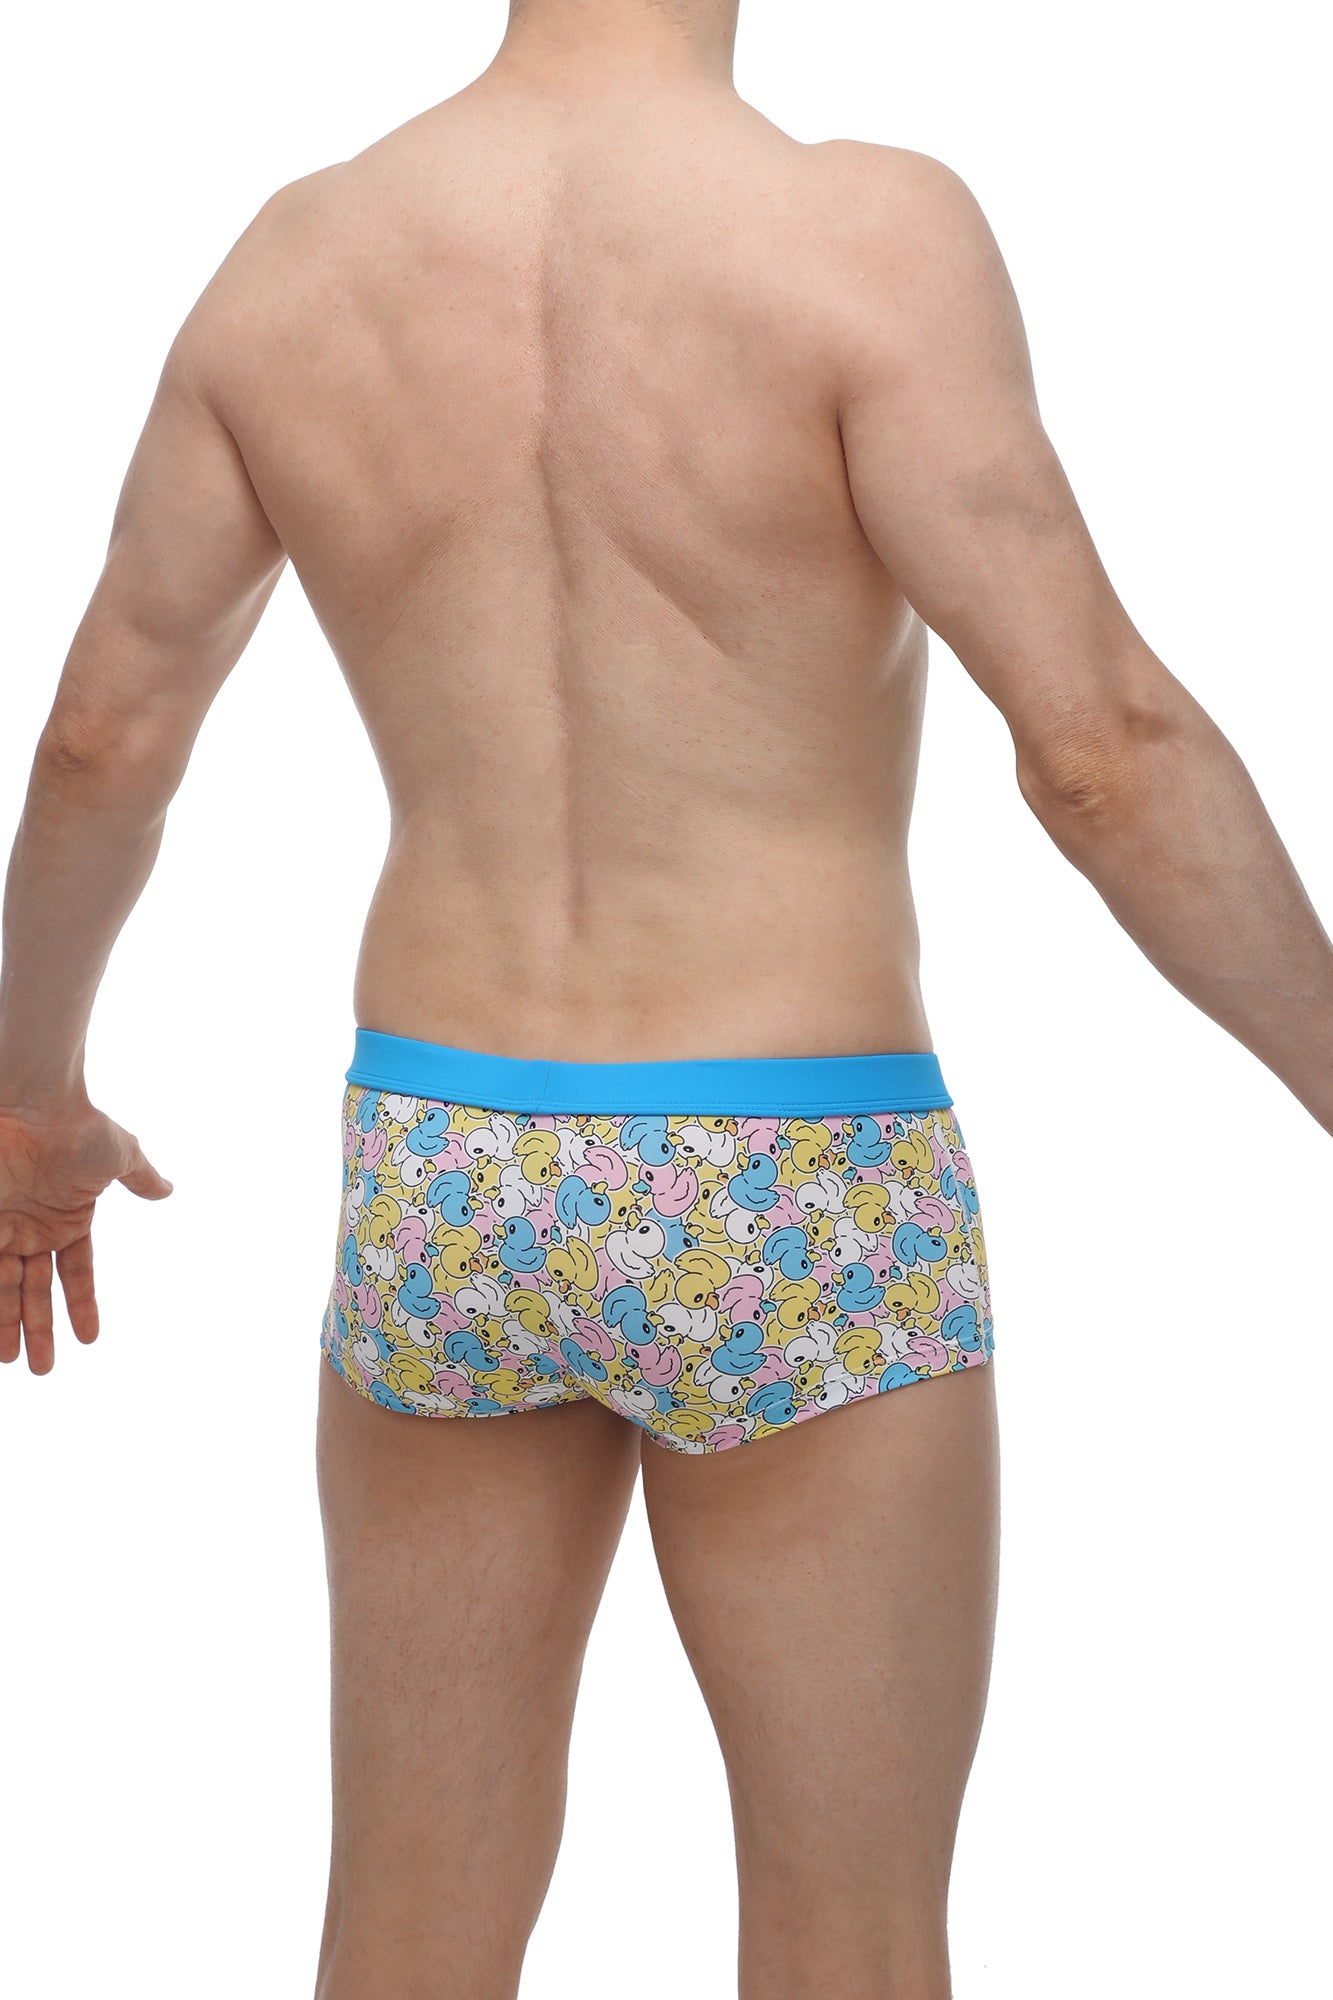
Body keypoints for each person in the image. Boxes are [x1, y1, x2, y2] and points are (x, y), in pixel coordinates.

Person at [1, 1, 1329, 1994]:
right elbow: (1099, 756)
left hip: (450, 1151)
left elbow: (102, 737)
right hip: (793, 1161)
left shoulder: (298, 258)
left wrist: (32, 1100)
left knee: (407, 1926)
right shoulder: (861, 233)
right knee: (848, 1936)